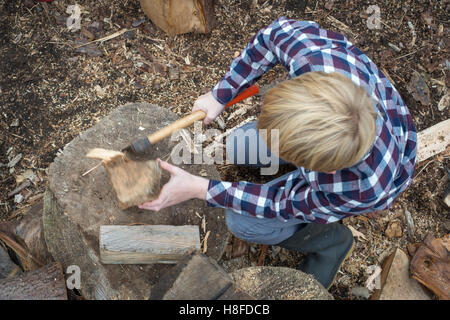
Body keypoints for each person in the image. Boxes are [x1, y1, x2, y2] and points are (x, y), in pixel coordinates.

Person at [138, 17, 417, 289]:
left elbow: (280, 203)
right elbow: (274, 34)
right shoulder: (316, 61)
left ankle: (331, 242)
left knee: (241, 222)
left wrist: (201, 188)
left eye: (288, 152)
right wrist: (220, 94)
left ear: (324, 169)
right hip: (340, 137)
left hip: (371, 175)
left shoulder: (357, 187)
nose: (272, 145)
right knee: (239, 144)